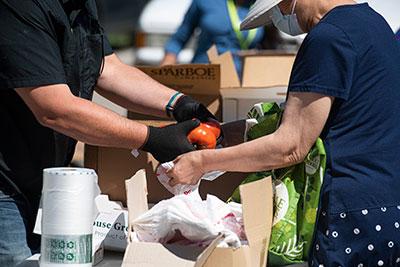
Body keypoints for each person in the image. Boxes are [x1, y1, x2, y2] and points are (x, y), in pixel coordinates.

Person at [167, 0, 400, 265]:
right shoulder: (375, 25)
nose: (279, 18)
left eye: (276, 9)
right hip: (386, 207)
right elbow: (324, 120)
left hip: (349, 215)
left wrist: (201, 162)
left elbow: (290, 146)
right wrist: (220, 133)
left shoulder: (327, 38)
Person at [0, 0, 215, 265]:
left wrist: (180, 104)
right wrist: (152, 138)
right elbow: (55, 109)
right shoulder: (18, 7)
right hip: (6, 183)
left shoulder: (80, 5)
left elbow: (107, 68)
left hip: (43, 176)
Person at [161, 0, 264, 74]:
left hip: (242, 80)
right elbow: (179, 39)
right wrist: (165, 71)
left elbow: (270, 46)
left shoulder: (261, 5)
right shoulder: (205, 2)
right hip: (205, 75)